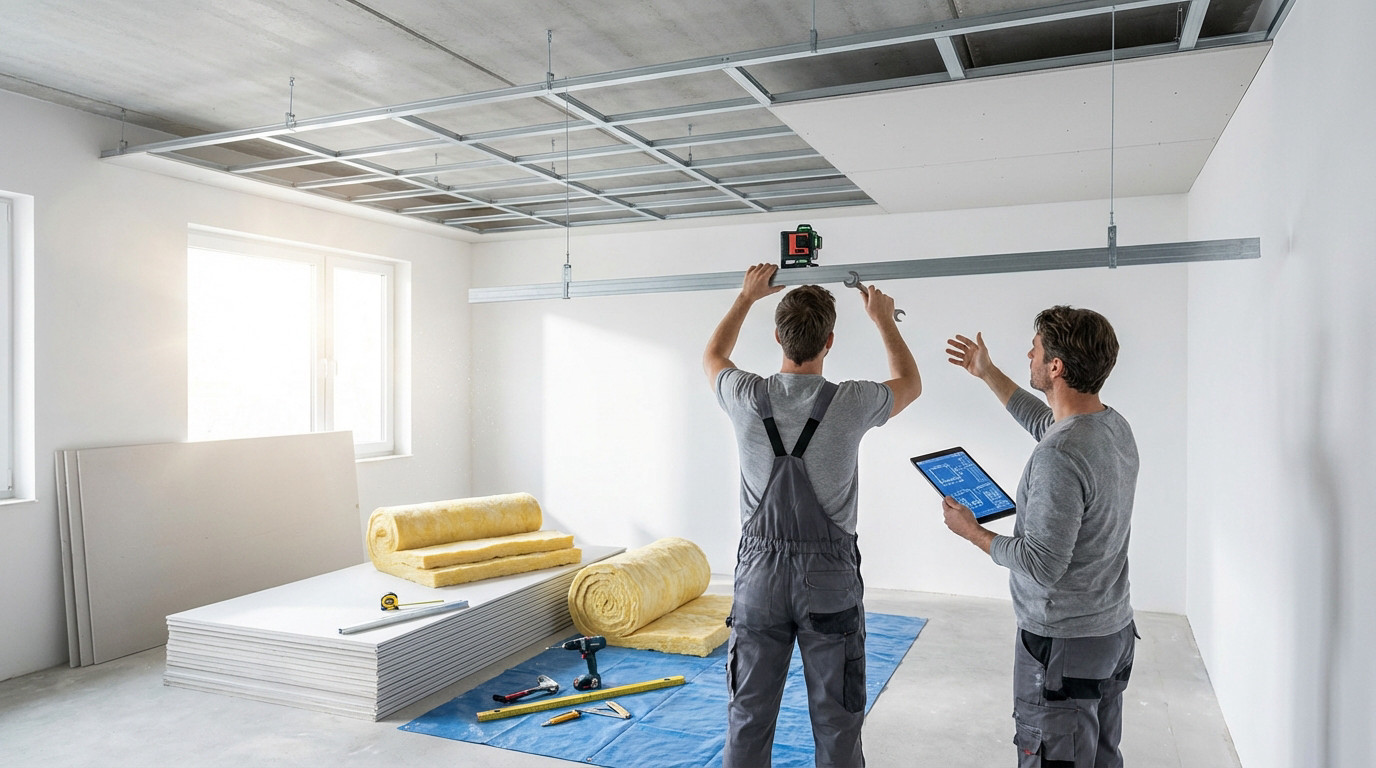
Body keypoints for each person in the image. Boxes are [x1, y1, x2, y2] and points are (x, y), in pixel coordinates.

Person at [703, 262, 921, 768]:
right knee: (837, 719)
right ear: (829, 341)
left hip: (759, 578)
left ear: (778, 336)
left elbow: (714, 355)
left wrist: (745, 297)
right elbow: (909, 381)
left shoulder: (744, 396)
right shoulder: (851, 401)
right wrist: (884, 318)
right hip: (830, 581)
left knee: (748, 715)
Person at [942, 307, 1139, 768]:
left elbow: (1043, 562)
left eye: (1035, 347)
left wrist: (973, 533)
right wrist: (987, 372)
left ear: (1056, 367)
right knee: (1102, 758)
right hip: (1110, 633)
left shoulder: (1060, 455)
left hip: (1063, 645)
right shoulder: (1111, 426)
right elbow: (1045, 422)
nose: (1028, 352)